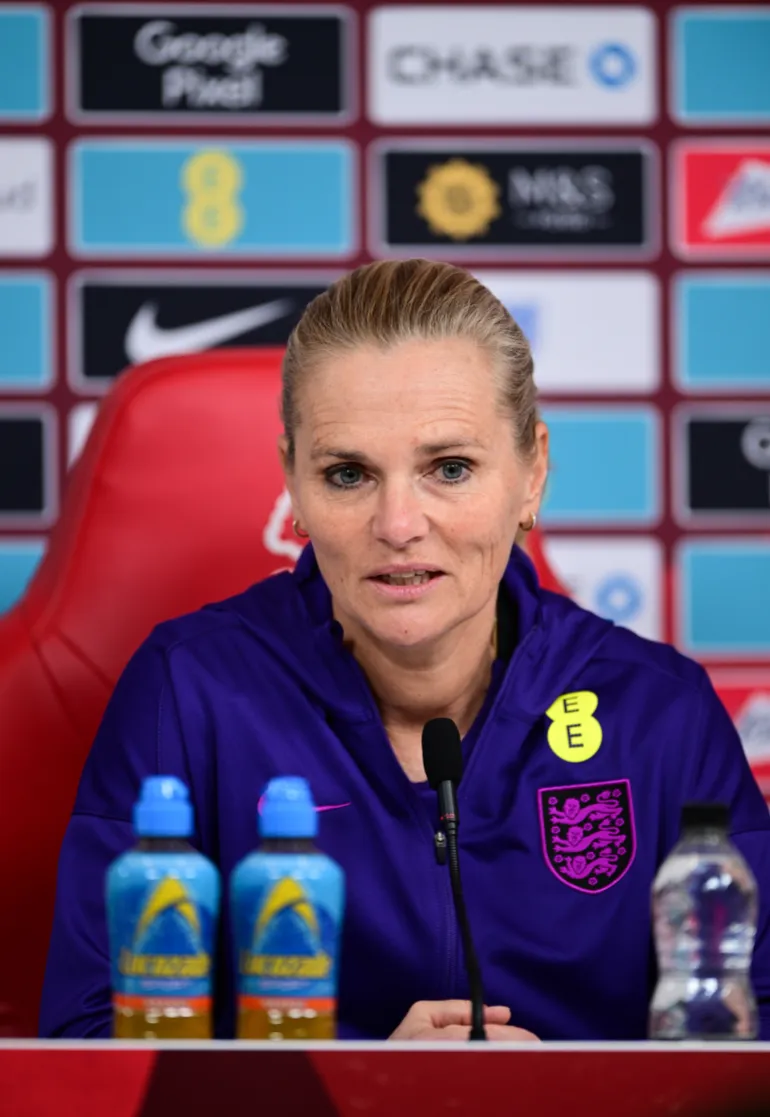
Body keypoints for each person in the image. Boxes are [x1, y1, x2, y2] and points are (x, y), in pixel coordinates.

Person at [39, 259, 770, 1041]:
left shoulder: (660, 711)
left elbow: (749, 1041)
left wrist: (570, 1093)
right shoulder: (188, 689)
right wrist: (366, 1086)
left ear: (533, 471)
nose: (397, 524)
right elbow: (91, 1046)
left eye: (448, 468)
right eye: (348, 473)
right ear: (293, 481)